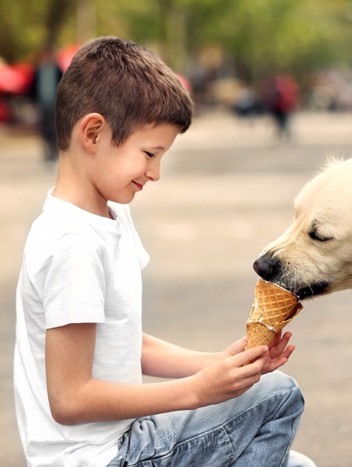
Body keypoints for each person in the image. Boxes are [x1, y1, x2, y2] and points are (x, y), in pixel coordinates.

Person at [13, 36, 314, 467]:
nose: (155, 173)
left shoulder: (110, 216)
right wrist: (197, 391)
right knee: (279, 394)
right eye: (149, 153)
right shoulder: (72, 244)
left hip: (127, 440)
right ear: (93, 133)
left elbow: (121, 343)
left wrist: (220, 365)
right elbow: (70, 398)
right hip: (100, 457)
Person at [30, 45, 63, 163]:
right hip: (42, 103)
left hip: (54, 104)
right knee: (43, 128)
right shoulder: (38, 70)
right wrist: (33, 101)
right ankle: (47, 152)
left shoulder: (57, 70)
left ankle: (54, 152)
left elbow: (63, 85)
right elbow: (33, 87)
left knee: (54, 128)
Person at [265, 74, 299, 141]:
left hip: (283, 107)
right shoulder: (284, 88)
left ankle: (283, 134)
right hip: (281, 108)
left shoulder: (277, 89)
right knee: (283, 122)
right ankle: (284, 134)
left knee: (283, 122)